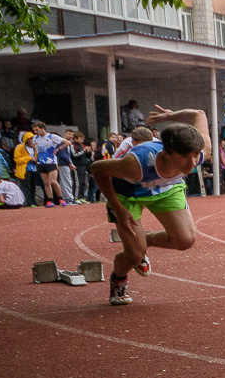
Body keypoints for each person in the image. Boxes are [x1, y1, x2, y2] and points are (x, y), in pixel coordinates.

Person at [90, 107, 212, 305]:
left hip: (167, 189)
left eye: (195, 156)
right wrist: (118, 209)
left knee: (185, 240)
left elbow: (199, 114)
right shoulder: (136, 164)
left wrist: (169, 117)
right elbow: (97, 169)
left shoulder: (200, 152)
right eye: (183, 157)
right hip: (129, 193)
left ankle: (142, 240)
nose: (192, 163)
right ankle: (119, 277)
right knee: (135, 255)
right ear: (166, 153)